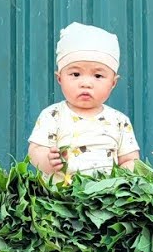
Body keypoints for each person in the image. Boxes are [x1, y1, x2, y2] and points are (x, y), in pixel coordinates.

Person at [28, 23, 140, 179]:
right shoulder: (52, 116)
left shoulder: (119, 121)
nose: (86, 83)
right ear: (59, 78)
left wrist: (124, 177)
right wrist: (47, 161)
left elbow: (130, 159)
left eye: (98, 76)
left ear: (113, 83)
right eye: (75, 74)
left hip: (105, 199)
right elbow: (35, 151)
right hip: (60, 199)